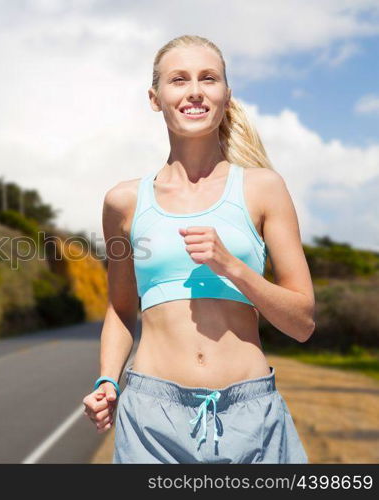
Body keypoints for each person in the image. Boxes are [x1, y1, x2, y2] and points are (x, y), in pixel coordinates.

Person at [82, 35, 314, 464]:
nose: (194, 91)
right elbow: (119, 309)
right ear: (155, 98)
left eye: (208, 78)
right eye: (178, 80)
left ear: (226, 94)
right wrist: (108, 381)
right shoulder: (123, 202)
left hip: (253, 416)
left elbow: (302, 323)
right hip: (152, 422)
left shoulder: (264, 189)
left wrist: (234, 268)